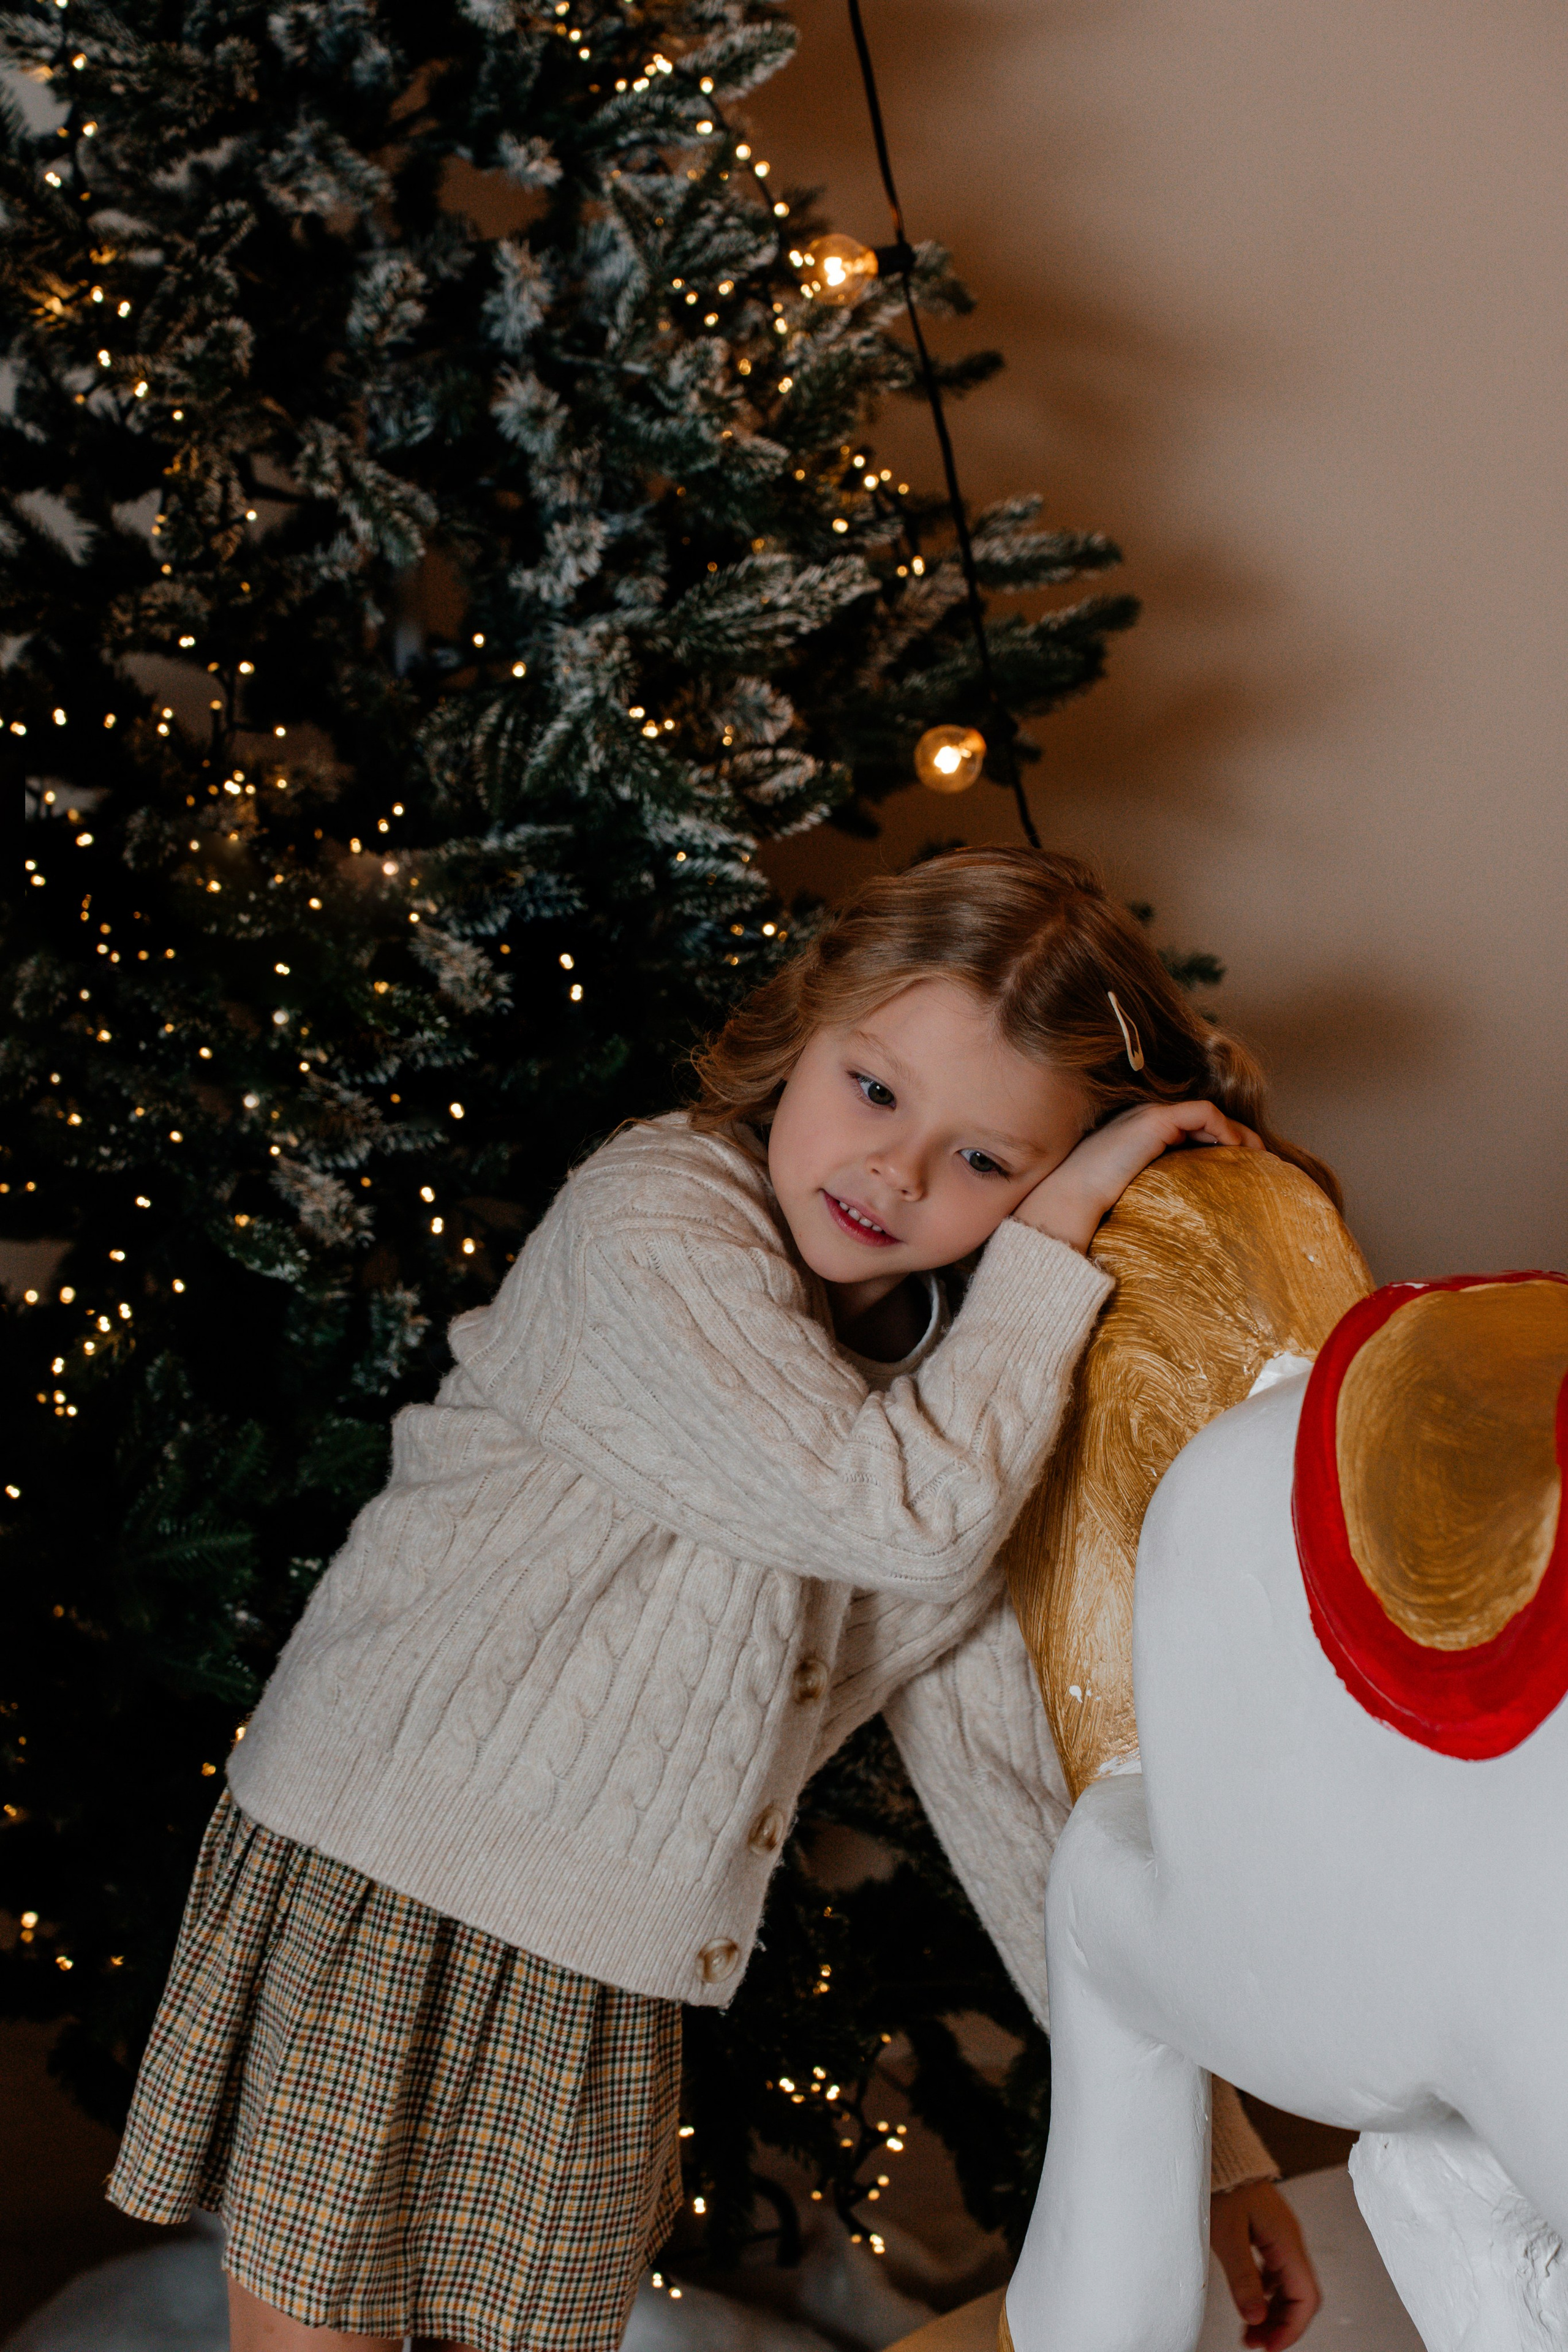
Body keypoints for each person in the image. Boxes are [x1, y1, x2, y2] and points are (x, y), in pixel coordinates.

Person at [109, 846, 1327, 2352]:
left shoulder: (971, 1389)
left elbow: (1014, 1791)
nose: (892, 1175)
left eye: (986, 1159)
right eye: (874, 1090)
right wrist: (1044, 1235)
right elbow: (889, 1514)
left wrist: (1210, 2154)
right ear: (805, 1027)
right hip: (391, 1869)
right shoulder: (652, 1221)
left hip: (600, 1952)